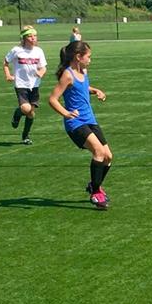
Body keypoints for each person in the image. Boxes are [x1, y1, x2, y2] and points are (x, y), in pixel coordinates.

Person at [48, 40, 113, 209]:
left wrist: (95, 90)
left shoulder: (83, 71)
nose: (90, 60)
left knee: (108, 157)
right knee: (98, 152)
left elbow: (82, 87)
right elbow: (53, 99)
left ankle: (94, 185)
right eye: (88, 56)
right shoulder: (67, 75)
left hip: (90, 120)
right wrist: (66, 113)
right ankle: (96, 193)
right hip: (75, 123)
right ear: (78, 57)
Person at [4, 25, 48, 145]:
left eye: (35, 36)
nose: (33, 38)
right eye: (30, 36)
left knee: (30, 113)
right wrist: (8, 75)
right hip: (21, 84)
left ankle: (25, 135)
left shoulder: (39, 51)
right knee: (26, 108)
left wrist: (41, 72)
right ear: (24, 38)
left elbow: (43, 67)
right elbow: (6, 62)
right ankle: (17, 114)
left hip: (34, 85)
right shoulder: (16, 50)